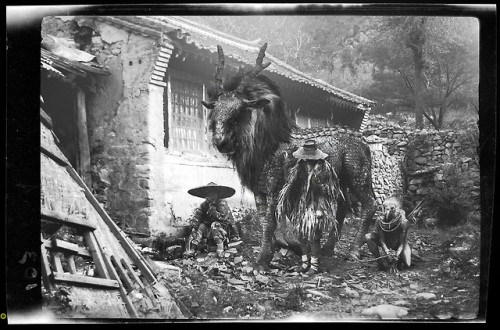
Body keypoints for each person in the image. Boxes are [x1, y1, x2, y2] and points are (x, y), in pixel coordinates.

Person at [278, 139, 341, 276]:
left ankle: (315, 265)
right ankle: (305, 262)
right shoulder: (300, 166)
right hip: (302, 205)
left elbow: (326, 192)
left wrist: (320, 209)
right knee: (300, 235)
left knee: (314, 237)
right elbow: (292, 185)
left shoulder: (323, 169)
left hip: (317, 206)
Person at [184, 182, 239, 257]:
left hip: (222, 230)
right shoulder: (204, 205)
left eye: (213, 194)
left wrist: (212, 210)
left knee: (215, 225)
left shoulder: (222, 204)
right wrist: (194, 227)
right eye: (208, 195)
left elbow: (222, 218)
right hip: (209, 229)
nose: (211, 197)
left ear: (217, 195)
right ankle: (193, 249)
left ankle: (220, 249)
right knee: (201, 226)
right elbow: (198, 217)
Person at [365, 197, 411, 272]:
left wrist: (396, 254)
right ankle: (380, 263)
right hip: (387, 242)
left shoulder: (403, 221)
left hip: (400, 243)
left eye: (392, 208)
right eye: (387, 208)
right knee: (368, 237)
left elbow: (402, 243)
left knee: (408, 264)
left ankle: (399, 260)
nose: (388, 210)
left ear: (396, 208)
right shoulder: (380, 220)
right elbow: (381, 239)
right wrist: (387, 252)